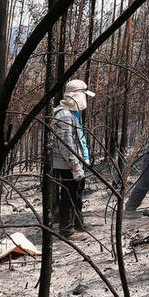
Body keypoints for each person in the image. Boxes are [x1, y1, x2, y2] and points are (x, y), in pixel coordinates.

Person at [51, 79, 96, 235]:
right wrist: (75, 165)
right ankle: (66, 230)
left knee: (76, 195)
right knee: (68, 196)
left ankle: (78, 224)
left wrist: (84, 159)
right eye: (84, 95)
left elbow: (79, 138)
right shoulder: (63, 114)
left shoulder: (72, 112)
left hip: (76, 162)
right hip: (68, 164)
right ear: (77, 95)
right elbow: (66, 144)